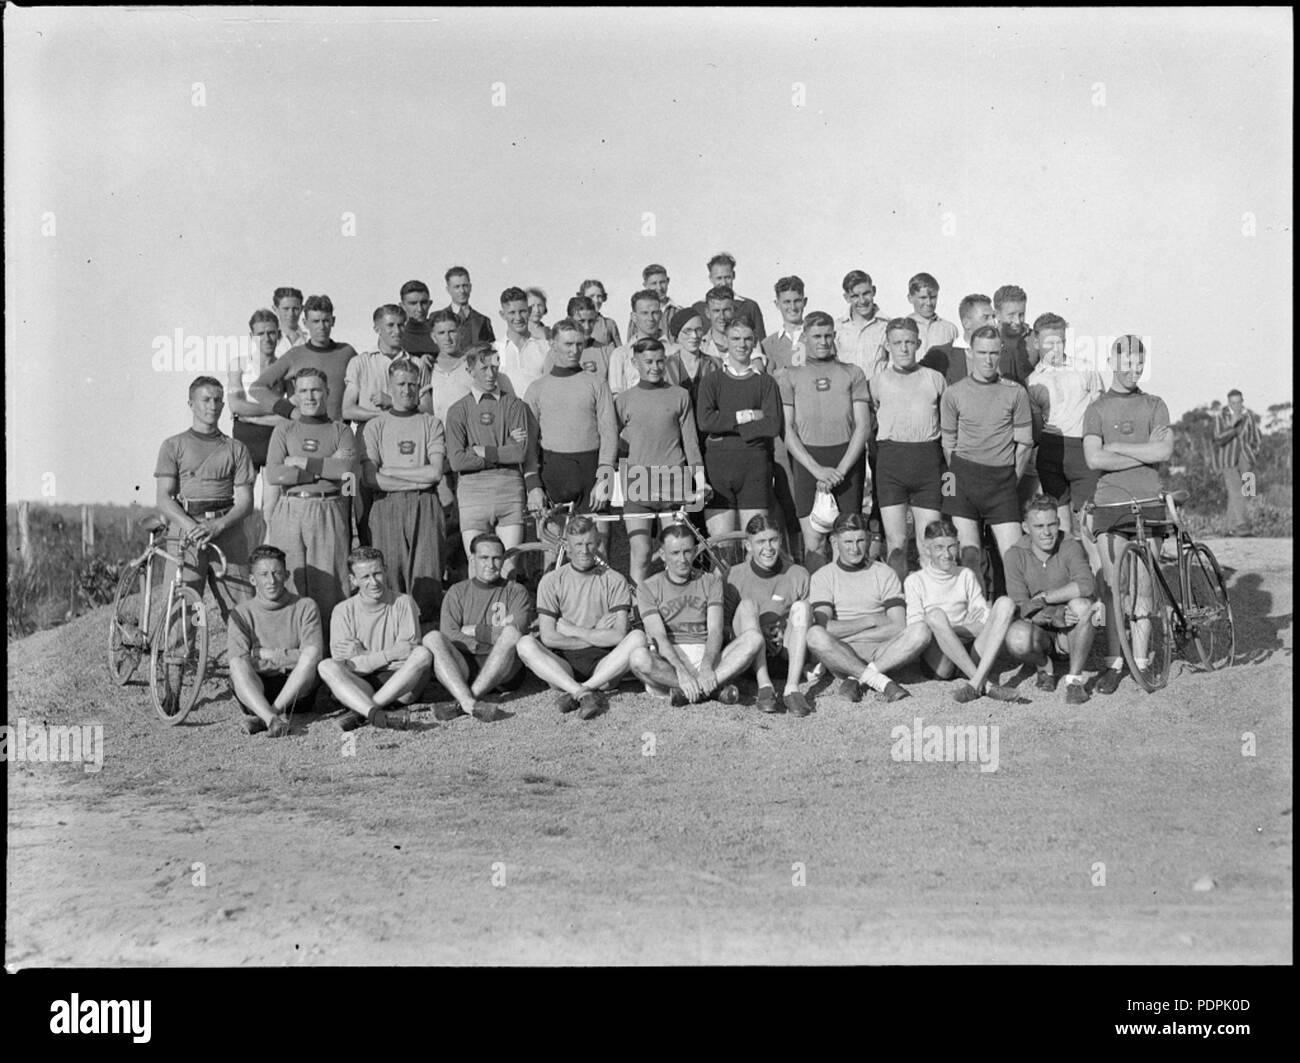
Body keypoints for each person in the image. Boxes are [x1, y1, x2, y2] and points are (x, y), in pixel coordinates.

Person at [1083, 336, 1174, 695]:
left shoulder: (1155, 404)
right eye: (1127, 362)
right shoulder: (1098, 407)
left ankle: (1142, 662)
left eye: (1140, 363)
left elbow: (1164, 451)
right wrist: (1144, 452)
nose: (1133, 369)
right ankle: (1114, 664)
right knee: (1115, 588)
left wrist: (1117, 446)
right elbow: (1093, 459)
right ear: (1111, 361)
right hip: (1110, 504)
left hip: (1148, 500)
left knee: (1144, 588)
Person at [515, 516, 647, 719]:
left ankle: (581, 690)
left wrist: (573, 630)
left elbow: (619, 636)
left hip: (605, 664)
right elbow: (549, 637)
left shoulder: (615, 580)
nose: (584, 551)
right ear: (567, 546)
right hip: (563, 666)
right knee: (524, 643)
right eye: (578, 544)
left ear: (597, 544)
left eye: (589, 543)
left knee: (637, 637)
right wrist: (598, 633)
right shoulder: (550, 581)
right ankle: (582, 692)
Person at [262, 367, 357, 637]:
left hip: (328, 509)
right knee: (289, 580)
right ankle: (291, 654)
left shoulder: (341, 430)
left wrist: (300, 463)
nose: (310, 396)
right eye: (303, 390)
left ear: (327, 392)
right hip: (290, 508)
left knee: (330, 585)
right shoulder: (285, 429)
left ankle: (329, 657)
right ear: (295, 394)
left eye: (316, 389)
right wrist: (323, 468)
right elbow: (274, 473)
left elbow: (346, 471)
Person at [154, 376, 255, 626]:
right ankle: (179, 661)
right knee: (181, 604)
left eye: (218, 400)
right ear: (191, 403)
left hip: (226, 529)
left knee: (242, 605)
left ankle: (245, 660)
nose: (213, 406)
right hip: (186, 531)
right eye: (206, 399)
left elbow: (245, 502)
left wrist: (218, 526)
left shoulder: (236, 448)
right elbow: (164, 497)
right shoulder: (173, 445)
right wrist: (191, 527)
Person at [629, 523, 764, 705]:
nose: (682, 559)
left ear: (694, 552)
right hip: (669, 658)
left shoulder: (710, 581)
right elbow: (659, 637)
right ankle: (710, 690)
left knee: (754, 638)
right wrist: (681, 671)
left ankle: (689, 691)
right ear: (662, 555)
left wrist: (707, 666)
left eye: (687, 552)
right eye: (675, 553)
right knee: (638, 658)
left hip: (706, 653)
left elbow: (715, 630)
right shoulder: (648, 587)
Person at [939, 325, 1034, 583]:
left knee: (1014, 558)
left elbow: (1024, 444)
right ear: (971, 353)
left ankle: (1021, 615)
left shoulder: (1015, 392)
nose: (988, 359)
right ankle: (975, 618)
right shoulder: (953, 392)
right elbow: (948, 445)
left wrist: (1009, 479)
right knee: (969, 555)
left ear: (1001, 352)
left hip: (1002, 481)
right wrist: (960, 475)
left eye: (993, 353)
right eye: (982, 353)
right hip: (963, 479)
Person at [804, 512, 929, 703]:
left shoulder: (884, 573)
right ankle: (881, 682)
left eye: (860, 540)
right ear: (834, 542)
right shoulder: (823, 577)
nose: (855, 548)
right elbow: (825, 628)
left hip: (883, 652)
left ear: (869, 540)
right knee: (814, 635)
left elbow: (898, 626)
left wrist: (852, 633)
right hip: (842, 652)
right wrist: (870, 621)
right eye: (848, 542)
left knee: (921, 630)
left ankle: (858, 677)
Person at [779, 311, 871, 563]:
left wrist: (840, 470)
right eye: (816, 336)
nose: (823, 341)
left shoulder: (853, 372)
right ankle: (819, 601)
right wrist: (816, 469)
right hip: (808, 461)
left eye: (828, 336)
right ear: (805, 338)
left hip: (847, 462)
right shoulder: (790, 374)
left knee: (849, 541)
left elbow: (862, 427)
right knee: (814, 543)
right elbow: (786, 430)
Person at [615, 338, 708, 584]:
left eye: (659, 361)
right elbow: (612, 443)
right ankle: (638, 609)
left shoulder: (680, 395)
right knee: (641, 552)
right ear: (635, 363)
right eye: (648, 362)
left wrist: (700, 482)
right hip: (638, 483)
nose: (655, 367)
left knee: (677, 552)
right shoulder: (624, 399)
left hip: (673, 482)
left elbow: (691, 444)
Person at [360, 360, 446, 624]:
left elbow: (434, 473)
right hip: (387, 506)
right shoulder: (374, 426)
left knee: (428, 576)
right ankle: (393, 642)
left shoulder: (430, 423)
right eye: (400, 384)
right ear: (389, 386)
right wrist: (417, 477)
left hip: (426, 505)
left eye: (412, 384)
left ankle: (428, 642)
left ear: (419, 387)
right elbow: (371, 478)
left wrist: (391, 471)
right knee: (389, 574)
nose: (407, 390)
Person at [444, 344, 543, 566]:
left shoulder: (515, 405)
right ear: (469, 371)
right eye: (483, 368)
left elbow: (519, 453)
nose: (490, 374)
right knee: (477, 566)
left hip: (509, 490)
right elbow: (457, 460)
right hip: (472, 493)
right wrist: (503, 449)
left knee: (508, 566)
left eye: (494, 367)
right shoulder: (458, 410)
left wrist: (482, 450)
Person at [903, 519, 1020, 703]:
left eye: (951, 547)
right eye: (939, 547)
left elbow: (985, 621)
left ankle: (974, 682)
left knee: (1005, 603)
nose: (947, 554)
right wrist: (960, 626)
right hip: (940, 660)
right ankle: (985, 685)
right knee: (935, 615)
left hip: (970, 650)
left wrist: (948, 631)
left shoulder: (965, 575)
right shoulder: (915, 581)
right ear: (927, 548)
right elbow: (918, 629)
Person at [318, 547, 433, 731]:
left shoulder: (404, 602)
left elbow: (407, 658)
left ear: (386, 571)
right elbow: (345, 665)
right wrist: (391, 653)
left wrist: (363, 655)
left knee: (423, 654)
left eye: (377, 573)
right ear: (353, 580)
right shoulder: (342, 610)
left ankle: (362, 711)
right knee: (326, 666)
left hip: (400, 685)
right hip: (361, 683)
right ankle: (377, 715)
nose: (374, 582)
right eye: (365, 577)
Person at [1002, 495, 1101, 704]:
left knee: (1083, 605)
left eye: (1052, 524)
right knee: (1015, 637)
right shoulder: (1014, 555)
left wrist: (1047, 597)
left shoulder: (1070, 545)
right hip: (1039, 631)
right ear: (1026, 527)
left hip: (1069, 629)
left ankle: (1074, 680)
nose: (1047, 533)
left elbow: (1086, 584)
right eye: (1038, 526)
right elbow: (1020, 605)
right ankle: (1044, 666)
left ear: (1058, 522)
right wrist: (1051, 614)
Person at [421, 533, 531, 722]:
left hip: (505, 669)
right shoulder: (457, 592)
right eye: (484, 558)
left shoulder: (516, 591)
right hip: (466, 666)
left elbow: (515, 633)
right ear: (472, 559)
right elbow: (450, 634)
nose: (491, 564)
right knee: (432, 637)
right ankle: (470, 704)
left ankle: (464, 700)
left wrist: (475, 630)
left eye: (496, 558)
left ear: (503, 560)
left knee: (511, 633)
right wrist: (487, 640)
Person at [869, 317, 947, 583]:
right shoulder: (878, 381)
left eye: (909, 343)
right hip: (891, 465)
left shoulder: (935, 379)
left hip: (927, 464)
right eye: (897, 343)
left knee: (931, 542)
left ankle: (933, 601)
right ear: (888, 346)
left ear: (919, 344)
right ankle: (898, 604)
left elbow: (947, 430)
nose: (903, 348)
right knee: (896, 543)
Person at [344, 304, 428, 544]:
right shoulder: (360, 362)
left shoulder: (416, 364)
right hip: (367, 446)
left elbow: (426, 410)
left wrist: (391, 402)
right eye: (390, 325)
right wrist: (384, 415)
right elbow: (347, 408)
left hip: (406, 446)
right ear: (376, 328)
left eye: (401, 325)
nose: (396, 330)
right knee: (362, 510)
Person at [525, 320, 619, 521]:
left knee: (597, 545)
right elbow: (529, 443)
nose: (574, 350)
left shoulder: (597, 384)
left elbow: (609, 434)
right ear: (553, 344)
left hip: (591, 473)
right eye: (568, 344)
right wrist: (533, 485)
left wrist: (605, 479)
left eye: (579, 344)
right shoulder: (537, 389)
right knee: (552, 549)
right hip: (553, 474)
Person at [696, 320, 784, 536]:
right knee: (721, 543)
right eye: (735, 338)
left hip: (754, 465)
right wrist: (747, 416)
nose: (742, 344)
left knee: (756, 539)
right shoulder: (711, 381)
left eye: (747, 339)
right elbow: (705, 421)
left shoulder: (766, 382)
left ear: (754, 342)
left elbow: (772, 425)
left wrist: (725, 426)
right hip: (718, 466)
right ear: (725, 341)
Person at [227, 545, 323, 737]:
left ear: (286, 575)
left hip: (296, 690)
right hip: (257, 691)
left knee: (311, 653)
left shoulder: (305, 606)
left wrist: (266, 654)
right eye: (264, 574)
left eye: (276, 573)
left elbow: (313, 656)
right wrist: (291, 656)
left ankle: (267, 717)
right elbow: (240, 659)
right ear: (253, 580)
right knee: (237, 664)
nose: (271, 581)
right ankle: (272, 719)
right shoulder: (241, 613)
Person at [726, 515, 814, 716]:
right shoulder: (734, 575)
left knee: (802, 607)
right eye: (760, 542)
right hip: (751, 660)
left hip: (787, 654)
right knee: (747, 606)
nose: (768, 548)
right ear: (748, 546)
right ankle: (765, 686)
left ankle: (792, 689)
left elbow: (809, 622)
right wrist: (756, 632)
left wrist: (784, 631)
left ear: (780, 540)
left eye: (773, 540)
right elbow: (725, 628)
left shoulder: (798, 574)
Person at [1026, 312, 1103, 539]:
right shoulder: (1032, 380)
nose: (1056, 348)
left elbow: (1100, 408)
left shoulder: (1085, 369)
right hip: (1051, 451)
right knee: (1061, 527)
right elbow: (1037, 425)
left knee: (1090, 526)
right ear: (1036, 342)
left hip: (1082, 450)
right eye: (1049, 342)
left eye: (1061, 341)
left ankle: (1099, 574)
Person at [248, 294, 358, 424]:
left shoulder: (347, 352)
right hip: (303, 432)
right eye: (315, 321)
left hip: (338, 433)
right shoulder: (295, 355)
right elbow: (257, 388)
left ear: (333, 321)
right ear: (306, 323)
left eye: (326, 321)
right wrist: (290, 411)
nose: (321, 327)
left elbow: (362, 388)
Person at [226, 308, 282, 550]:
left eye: (271, 333)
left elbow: (287, 415)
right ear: (251, 336)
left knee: (271, 506)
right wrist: (270, 409)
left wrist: (251, 416)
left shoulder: (284, 367)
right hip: (245, 439)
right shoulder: (239, 364)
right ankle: (241, 559)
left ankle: (266, 556)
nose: (267, 339)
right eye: (261, 334)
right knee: (243, 504)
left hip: (273, 437)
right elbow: (235, 404)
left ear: (279, 335)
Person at [1212, 389, 1263, 536]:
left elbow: (1256, 438)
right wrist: (1231, 427)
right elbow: (1218, 439)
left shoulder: (1249, 416)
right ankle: (1242, 526)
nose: (1236, 406)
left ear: (1242, 402)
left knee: (1248, 490)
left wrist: (1253, 454)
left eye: (1238, 402)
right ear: (1228, 403)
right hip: (1228, 459)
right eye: (1233, 403)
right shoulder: (1220, 417)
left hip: (1246, 458)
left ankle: (1229, 528)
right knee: (1235, 491)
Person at [609, 289, 679, 392]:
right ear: (634, 317)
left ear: (660, 315)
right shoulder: (620, 355)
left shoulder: (675, 351)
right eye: (644, 313)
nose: (650, 318)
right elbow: (616, 395)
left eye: (654, 313)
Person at [920, 292, 996, 386]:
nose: (993, 323)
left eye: (993, 317)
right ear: (966, 323)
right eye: (986, 317)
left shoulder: (1004, 354)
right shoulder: (940, 355)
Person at [690, 252, 766, 341]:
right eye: (719, 278)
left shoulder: (750, 306)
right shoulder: (698, 308)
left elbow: (761, 340)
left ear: (733, 275)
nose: (723, 283)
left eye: (727, 277)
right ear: (710, 278)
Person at [497, 286, 551, 395]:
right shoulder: (495, 349)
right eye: (512, 312)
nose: (518, 318)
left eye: (522, 311)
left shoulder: (546, 348)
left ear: (529, 311)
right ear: (502, 315)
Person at [836, 269, 889, 375]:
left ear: (873, 291)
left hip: (877, 389)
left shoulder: (887, 326)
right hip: (848, 390)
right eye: (855, 296)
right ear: (846, 298)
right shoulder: (837, 327)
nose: (862, 301)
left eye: (866, 293)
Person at [759, 275, 808, 375]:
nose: (793, 307)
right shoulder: (768, 344)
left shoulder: (817, 337)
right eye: (787, 302)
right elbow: (768, 379)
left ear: (805, 302)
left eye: (797, 301)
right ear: (777, 304)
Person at [905, 272, 959, 357]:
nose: (929, 303)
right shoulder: (902, 328)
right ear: (910, 298)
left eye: (933, 297)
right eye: (923, 298)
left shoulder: (949, 329)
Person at [993, 284, 1037, 386]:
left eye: (1021, 314)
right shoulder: (985, 341)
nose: (1017, 321)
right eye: (1011, 315)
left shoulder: (1035, 338)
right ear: (997, 315)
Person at [442, 266, 495, 350]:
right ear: (448, 290)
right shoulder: (437, 318)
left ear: (470, 287)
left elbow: (490, 353)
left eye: (465, 286)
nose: (462, 291)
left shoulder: (483, 321)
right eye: (457, 287)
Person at [625, 264, 678, 342]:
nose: (659, 287)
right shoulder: (638, 314)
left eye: (662, 282)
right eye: (654, 283)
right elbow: (631, 341)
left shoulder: (677, 312)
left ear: (668, 281)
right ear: (645, 285)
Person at [398, 279, 438, 360]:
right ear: (402, 306)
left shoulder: (442, 333)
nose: (419, 309)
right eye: (413, 303)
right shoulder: (396, 336)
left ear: (429, 304)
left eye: (423, 303)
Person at [578, 279, 623, 349]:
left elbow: (620, 352)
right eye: (591, 296)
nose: (596, 300)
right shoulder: (574, 322)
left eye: (599, 296)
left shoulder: (609, 324)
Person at [700, 286, 737, 361]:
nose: (722, 316)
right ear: (707, 313)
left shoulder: (748, 341)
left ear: (733, 310)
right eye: (716, 311)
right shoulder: (700, 346)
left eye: (726, 310)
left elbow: (758, 371)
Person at [272, 286, 306, 354]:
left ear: (301, 309)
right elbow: (248, 363)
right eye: (286, 309)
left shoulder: (311, 339)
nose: (291, 314)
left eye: (295, 309)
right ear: (275, 309)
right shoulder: (260, 339)